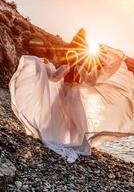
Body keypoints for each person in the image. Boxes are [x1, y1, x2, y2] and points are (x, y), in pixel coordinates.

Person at [9, 29, 134, 162]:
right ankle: (74, 142)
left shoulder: (67, 66)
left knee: (60, 118)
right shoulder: (83, 69)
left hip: (64, 95)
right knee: (76, 122)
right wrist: (108, 65)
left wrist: (44, 66)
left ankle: (59, 138)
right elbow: (92, 81)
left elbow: (54, 78)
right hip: (76, 97)